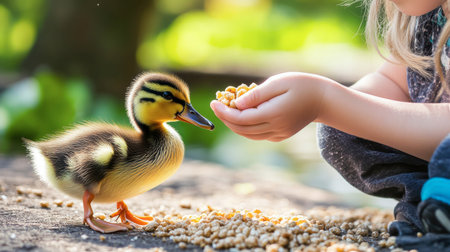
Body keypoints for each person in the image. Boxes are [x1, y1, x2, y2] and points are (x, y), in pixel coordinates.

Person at [210, 0, 450, 236]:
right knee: (342, 129)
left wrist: (328, 100)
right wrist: (322, 101)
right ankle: (431, 210)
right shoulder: (426, 17)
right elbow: (394, 83)